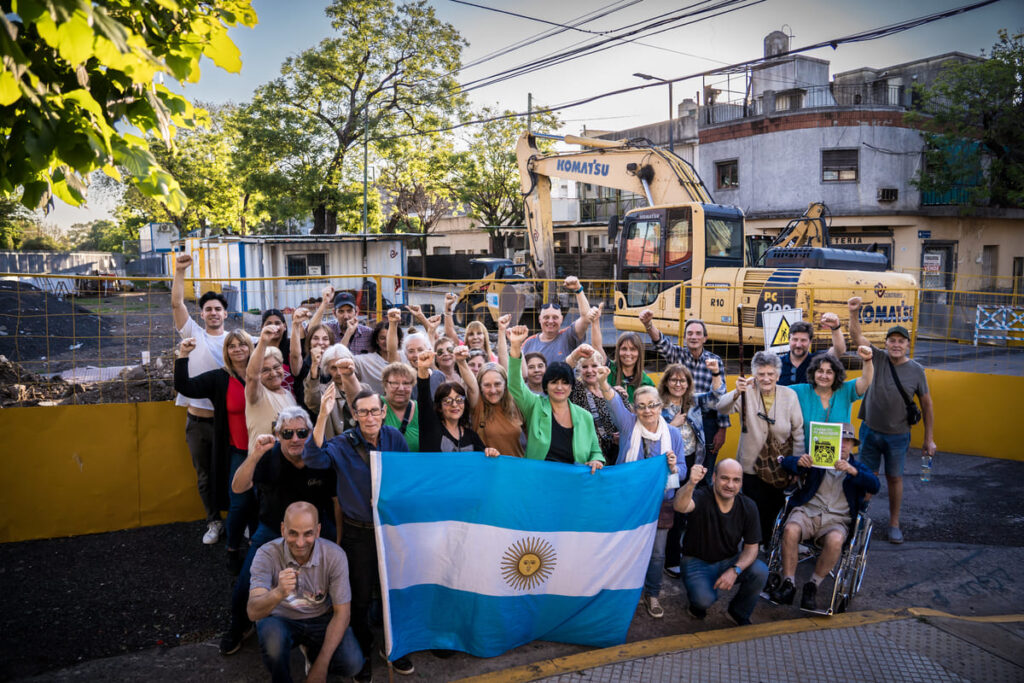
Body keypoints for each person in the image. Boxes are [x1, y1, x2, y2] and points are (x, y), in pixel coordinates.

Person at [303, 388, 414, 678]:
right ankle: (363, 652)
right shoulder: (341, 444)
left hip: (390, 531)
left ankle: (394, 647)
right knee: (361, 598)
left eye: (374, 410)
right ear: (354, 415)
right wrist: (323, 416)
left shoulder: (394, 438)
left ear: (383, 412)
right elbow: (312, 459)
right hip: (358, 533)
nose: (369, 417)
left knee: (394, 591)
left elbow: (405, 478)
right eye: (362, 411)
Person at [219, 409, 338, 656]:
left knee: (334, 579)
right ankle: (239, 627)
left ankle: (330, 629)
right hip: (273, 529)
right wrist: (254, 456)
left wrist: (338, 539)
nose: (295, 438)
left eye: (302, 432)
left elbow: (336, 502)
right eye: (287, 433)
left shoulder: (322, 460)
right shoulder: (268, 456)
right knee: (246, 584)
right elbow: (238, 487)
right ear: (278, 434)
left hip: (315, 530)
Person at [597, 373, 685, 619]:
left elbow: (684, 470)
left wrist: (675, 467)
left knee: (657, 554)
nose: (648, 411)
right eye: (642, 406)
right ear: (634, 409)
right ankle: (621, 594)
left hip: (660, 503)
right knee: (624, 549)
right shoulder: (627, 426)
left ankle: (652, 593)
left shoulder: (673, 436)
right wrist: (604, 382)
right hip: (629, 503)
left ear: (661, 406)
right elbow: (612, 399)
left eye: (653, 405)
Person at [849, 296, 936, 545]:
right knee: (866, 476)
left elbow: (927, 405)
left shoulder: (917, 371)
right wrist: (853, 312)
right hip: (870, 430)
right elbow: (857, 338)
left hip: (898, 435)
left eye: (901, 341)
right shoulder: (877, 357)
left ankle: (894, 523)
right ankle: (859, 519)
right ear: (886, 343)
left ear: (908, 345)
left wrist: (929, 438)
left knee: (895, 478)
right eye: (892, 341)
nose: (896, 345)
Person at [247, 502, 364, 683]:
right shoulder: (266, 554)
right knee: (272, 641)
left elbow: (343, 613)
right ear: (282, 529)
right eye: (293, 533)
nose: (300, 543)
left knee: (352, 664)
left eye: (308, 533)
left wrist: (321, 667)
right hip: (282, 620)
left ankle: (313, 654)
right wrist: (278, 592)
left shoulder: (334, 555)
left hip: (321, 619)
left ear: (318, 531)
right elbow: (253, 612)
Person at [768, 423, 880, 611]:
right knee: (790, 529)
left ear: (852, 445)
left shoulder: (857, 467)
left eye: (848, 441)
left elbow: (875, 485)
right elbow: (786, 463)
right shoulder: (818, 459)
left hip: (837, 519)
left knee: (836, 540)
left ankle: (813, 585)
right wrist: (799, 462)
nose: (843, 445)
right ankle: (789, 583)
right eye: (840, 440)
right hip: (808, 512)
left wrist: (854, 472)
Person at [174, 330, 254, 571]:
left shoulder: (262, 372)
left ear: (251, 348)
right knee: (238, 502)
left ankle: (260, 546)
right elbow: (184, 386)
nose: (238, 349)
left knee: (263, 500)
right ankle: (233, 549)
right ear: (226, 352)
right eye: (232, 346)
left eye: (243, 344)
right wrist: (183, 355)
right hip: (239, 451)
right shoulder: (220, 378)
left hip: (264, 449)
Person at [171, 252, 233, 545]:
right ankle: (213, 522)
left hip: (229, 421)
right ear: (203, 314)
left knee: (233, 471)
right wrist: (180, 271)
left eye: (217, 308)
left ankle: (237, 519)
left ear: (225, 313)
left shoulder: (236, 341)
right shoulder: (192, 333)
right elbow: (176, 303)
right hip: (197, 421)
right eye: (208, 309)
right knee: (205, 475)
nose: (212, 313)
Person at [716, 351, 804, 545]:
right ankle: (751, 547)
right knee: (750, 510)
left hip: (779, 467)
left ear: (778, 375)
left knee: (773, 510)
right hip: (750, 466)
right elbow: (721, 407)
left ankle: (768, 546)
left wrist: (796, 465)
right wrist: (737, 391)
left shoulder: (789, 395)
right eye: (761, 374)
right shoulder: (746, 391)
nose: (766, 378)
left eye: (771, 374)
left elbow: (798, 431)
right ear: (754, 374)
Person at [674, 459, 769, 626]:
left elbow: (752, 548)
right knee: (703, 601)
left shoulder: (748, 506)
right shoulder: (702, 496)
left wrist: (735, 570)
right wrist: (691, 483)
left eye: (736, 480)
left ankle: (738, 612)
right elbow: (680, 506)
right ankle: (698, 602)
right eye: (725, 478)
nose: (730, 485)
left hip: (729, 560)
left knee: (760, 570)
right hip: (696, 562)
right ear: (714, 478)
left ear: (741, 482)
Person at [657, 361, 726, 579]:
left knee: (691, 508)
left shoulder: (694, 402)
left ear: (689, 384)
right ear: (666, 382)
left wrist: (715, 372)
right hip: (671, 463)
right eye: (673, 379)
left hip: (693, 460)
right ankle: (671, 559)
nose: (678, 384)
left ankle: (690, 554)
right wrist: (672, 426)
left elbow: (717, 397)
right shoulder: (659, 406)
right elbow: (653, 437)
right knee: (673, 511)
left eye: (683, 380)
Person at [639, 311, 729, 476]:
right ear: (685, 337)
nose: (694, 337)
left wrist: (722, 429)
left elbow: (720, 397)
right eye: (690, 333)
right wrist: (648, 325)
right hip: (681, 418)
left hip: (708, 421)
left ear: (705, 338)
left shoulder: (714, 361)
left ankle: (699, 498)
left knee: (704, 469)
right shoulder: (677, 355)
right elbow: (661, 342)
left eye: (698, 333)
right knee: (680, 466)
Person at [507, 325, 604, 470]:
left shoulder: (585, 416)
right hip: (539, 482)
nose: (559, 387)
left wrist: (596, 460)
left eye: (565, 383)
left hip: (572, 484)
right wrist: (515, 346)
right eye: (554, 382)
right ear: (546, 386)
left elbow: (595, 452)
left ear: (571, 386)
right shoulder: (535, 406)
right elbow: (515, 385)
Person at [791, 346, 874, 454]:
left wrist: (867, 360)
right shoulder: (801, 390)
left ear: (836, 375)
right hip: (807, 458)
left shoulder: (846, 390)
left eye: (829, 372)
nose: (824, 376)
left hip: (837, 460)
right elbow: (778, 390)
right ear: (813, 373)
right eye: (820, 371)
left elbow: (866, 381)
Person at [415, 350, 499, 454]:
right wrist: (423, 369)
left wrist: (490, 451)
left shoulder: (472, 436)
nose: (454, 405)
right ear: (439, 407)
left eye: (459, 400)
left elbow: (484, 457)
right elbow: (424, 400)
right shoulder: (431, 427)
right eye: (447, 401)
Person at [521, 275, 593, 365]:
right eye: (546, 317)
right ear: (540, 319)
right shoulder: (529, 343)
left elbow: (586, 318)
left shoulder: (568, 337)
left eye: (555, 317)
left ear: (561, 319)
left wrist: (578, 289)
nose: (550, 321)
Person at [304, 345, 367, 440]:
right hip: (336, 448)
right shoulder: (325, 392)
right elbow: (312, 401)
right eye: (333, 368)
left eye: (343, 367)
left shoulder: (364, 389)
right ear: (327, 369)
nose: (339, 372)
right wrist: (314, 367)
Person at [568, 345, 618, 464]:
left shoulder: (613, 392)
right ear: (579, 370)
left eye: (594, 366)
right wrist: (575, 354)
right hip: (589, 456)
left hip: (616, 454)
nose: (590, 370)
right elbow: (561, 370)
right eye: (585, 367)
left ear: (602, 367)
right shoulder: (576, 389)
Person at [465, 362, 526, 457]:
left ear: (505, 384)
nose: (493, 390)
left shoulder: (516, 404)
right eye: (487, 385)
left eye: (497, 384)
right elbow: (470, 384)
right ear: (480, 387)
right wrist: (461, 362)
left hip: (517, 467)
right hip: (488, 469)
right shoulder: (478, 405)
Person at [776, 315, 847, 387]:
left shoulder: (818, 361)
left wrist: (836, 328)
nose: (798, 345)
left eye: (803, 340)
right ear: (789, 340)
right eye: (795, 339)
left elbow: (839, 351)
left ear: (810, 342)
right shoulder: (777, 364)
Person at [289, 306, 335, 409]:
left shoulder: (334, 364)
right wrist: (296, 324)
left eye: (325, 339)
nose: (320, 342)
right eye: (315, 338)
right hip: (307, 418)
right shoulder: (303, 364)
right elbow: (295, 355)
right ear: (309, 343)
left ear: (330, 343)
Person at [349, 308, 402, 395]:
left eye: (390, 337)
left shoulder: (406, 356)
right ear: (376, 340)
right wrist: (349, 332)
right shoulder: (364, 361)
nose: (387, 341)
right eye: (382, 338)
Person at [310, 287, 374, 355]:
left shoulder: (368, 333)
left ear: (356, 311)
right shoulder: (328, 329)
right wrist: (324, 302)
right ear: (334, 313)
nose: (346, 316)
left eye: (349, 311)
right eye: (341, 311)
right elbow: (311, 330)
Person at [607, 332, 654, 406]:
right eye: (624, 349)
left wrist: (630, 405)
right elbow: (597, 347)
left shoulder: (646, 382)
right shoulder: (608, 369)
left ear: (639, 352)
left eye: (633, 349)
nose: (628, 353)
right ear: (618, 351)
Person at [260, 309, 295, 393]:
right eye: (269, 324)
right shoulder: (257, 349)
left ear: (285, 326)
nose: (273, 327)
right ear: (262, 327)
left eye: (277, 323)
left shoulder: (292, 347)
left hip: (291, 401)